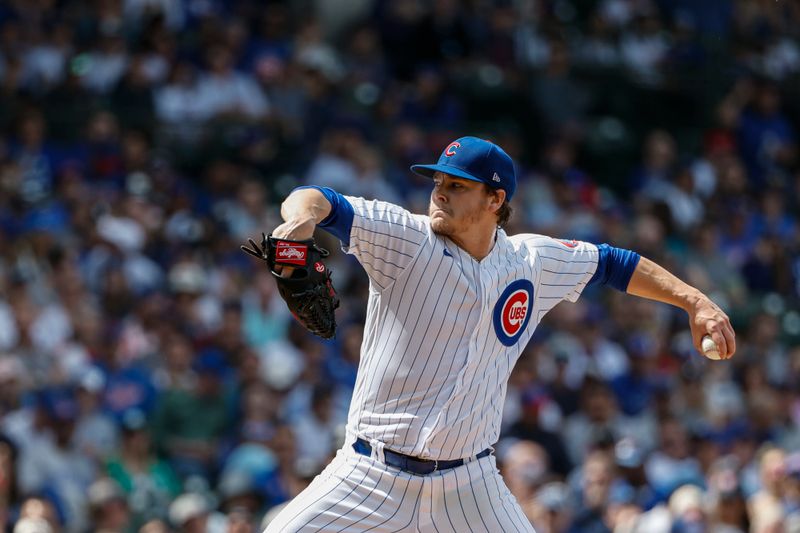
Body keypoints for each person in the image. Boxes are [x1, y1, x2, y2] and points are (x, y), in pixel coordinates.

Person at [258, 136, 736, 531]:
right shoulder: (406, 239)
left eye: (457, 185)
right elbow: (317, 197)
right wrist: (300, 221)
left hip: (469, 486)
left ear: (495, 199)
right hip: (369, 474)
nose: (439, 192)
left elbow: (614, 263)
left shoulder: (532, 261)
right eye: (437, 182)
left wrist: (694, 300)